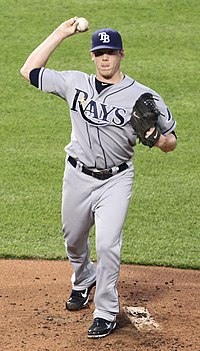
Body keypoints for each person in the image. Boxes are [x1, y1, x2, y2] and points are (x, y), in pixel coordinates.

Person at [20, 17, 177, 339]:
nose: (105, 58)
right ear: (92, 56)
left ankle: (105, 310)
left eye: (111, 52)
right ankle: (83, 280)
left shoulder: (144, 95)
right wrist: (61, 33)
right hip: (77, 174)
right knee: (74, 241)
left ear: (121, 55)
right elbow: (29, 71)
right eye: (99, 52)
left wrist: (157, 138)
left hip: (116, 180)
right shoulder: (74, 82)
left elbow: (171, 142)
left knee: (107, 245)